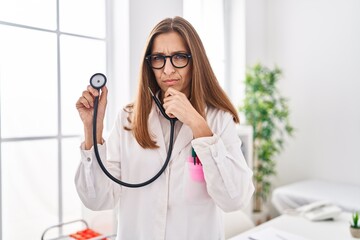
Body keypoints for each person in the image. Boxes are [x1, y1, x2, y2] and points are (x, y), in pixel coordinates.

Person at [75, 16, 254, 240]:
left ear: (195, 60)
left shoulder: (218, 119)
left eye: (179, 57)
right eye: (158, 58)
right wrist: (92, 130)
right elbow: (97, 199)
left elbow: (234, 199)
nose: (167, 69)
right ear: (149, 64)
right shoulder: (128, 119)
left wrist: (197, 123)